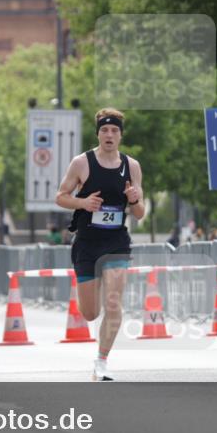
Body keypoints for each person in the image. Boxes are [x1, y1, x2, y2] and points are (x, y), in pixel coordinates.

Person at [56, 108, 145, 381]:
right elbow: (61, 196)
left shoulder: (131, 166)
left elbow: (140, 213)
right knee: (91, 313)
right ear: (98, 134)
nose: (109, 134)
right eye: (105, 130)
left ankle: (101, 362)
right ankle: (86, 291)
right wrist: (83, 203)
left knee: (114, 302)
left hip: (116, 241)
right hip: (87, 243)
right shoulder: (82, 163)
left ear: (120, 135)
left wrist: (133, 199)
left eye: (114, 130)